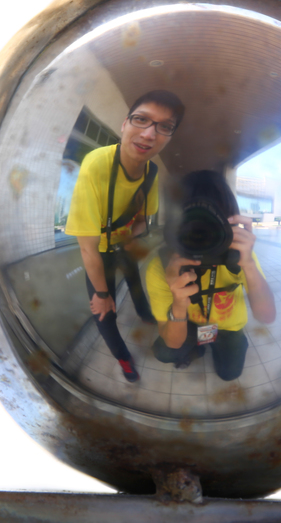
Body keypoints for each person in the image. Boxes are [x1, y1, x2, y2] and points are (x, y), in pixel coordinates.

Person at [64, 90, 185, 382]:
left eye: (164, 127)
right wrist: (103, 294)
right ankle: (124, 359)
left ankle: (145, 314)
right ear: (124, 124)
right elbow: (87, 248)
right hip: (99, 251)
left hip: (123, 245)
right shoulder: (97, 164)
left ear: (169, 137)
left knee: (134, 280)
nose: (148, 134)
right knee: (103, 312)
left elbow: (143, 219)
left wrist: (130, 237)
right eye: (141, 120)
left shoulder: (151, 173)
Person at [147, 171, 276, 382]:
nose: (203, 235)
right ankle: (198, 346)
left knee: (229, 374)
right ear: (174, 226)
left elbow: (267, 316)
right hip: (190, 323)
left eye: (212, 224)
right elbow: (172, 342)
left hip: (228, 328)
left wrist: (249, 265)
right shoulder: (163, 266)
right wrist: (178, 303)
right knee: (165, 351)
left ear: (230, 224)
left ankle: (217, 345)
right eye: (194, 226)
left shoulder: (239, 257)